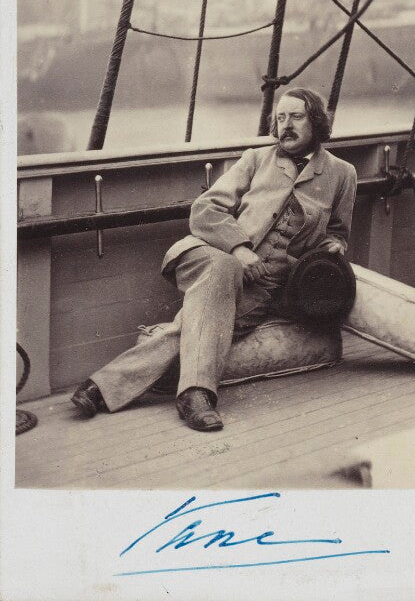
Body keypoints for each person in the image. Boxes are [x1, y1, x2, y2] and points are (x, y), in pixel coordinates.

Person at [71, 88, 357, 431]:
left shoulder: (342, 174)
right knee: (224, 267)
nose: (286, 125)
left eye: (296, 117)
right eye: (281, 117)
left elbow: (338, 232)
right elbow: (205, 208)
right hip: (212, 254)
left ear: (317, 121)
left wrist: (334, 245)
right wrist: (238, 248)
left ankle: (99, 388)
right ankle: (196, 396)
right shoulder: (256, 159)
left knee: (201, 325)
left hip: (264, 287)